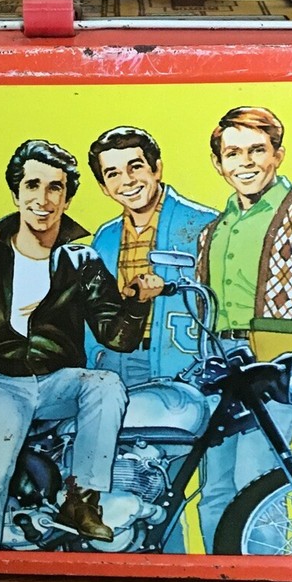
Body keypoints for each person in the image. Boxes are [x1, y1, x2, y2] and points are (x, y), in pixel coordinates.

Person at [0, 139, 164, 550]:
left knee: (106, 383)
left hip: (59, 382)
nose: (43, 198)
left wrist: (137, 302)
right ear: (17, 193)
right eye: (32, 186)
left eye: (54, 187)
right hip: (0, 383)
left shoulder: (82, 261)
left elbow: (116, 338)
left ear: (67, 198)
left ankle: (81, 498)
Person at [196, 106, 292, 552]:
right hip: (221, 362)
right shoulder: (214, 229)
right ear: (219, 163)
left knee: (256, 481)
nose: (244, 162)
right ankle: (220, 568)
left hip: (278, 360)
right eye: (232, 153)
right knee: (215, 489)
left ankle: (260, 567)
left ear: (278, 155)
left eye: (256, 150)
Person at [86, 126, 217, 388]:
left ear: (156, 168)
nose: (127, 181)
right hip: (113, 362)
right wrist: (95, 356)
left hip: (180, 362)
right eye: (112, 174)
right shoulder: (105, 236)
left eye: (135, 167)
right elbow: (91, 307)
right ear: (103, 186)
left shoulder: (204, 224)